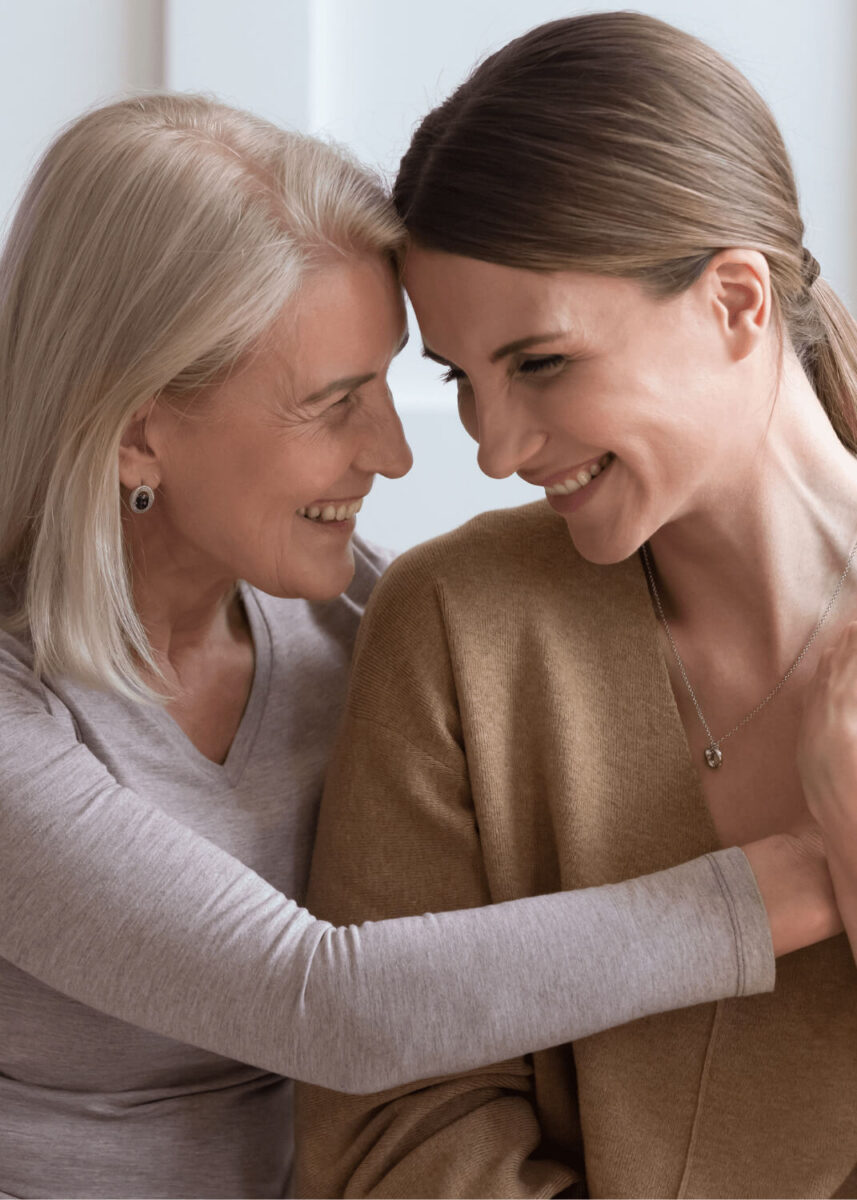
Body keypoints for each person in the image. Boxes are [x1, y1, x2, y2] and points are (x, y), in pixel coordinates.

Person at [293, 12, 857, 1199]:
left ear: (735, 304)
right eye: (459, 378)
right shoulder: (457, 626)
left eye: (539, 364)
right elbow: (392, 1128)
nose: (493, 450)